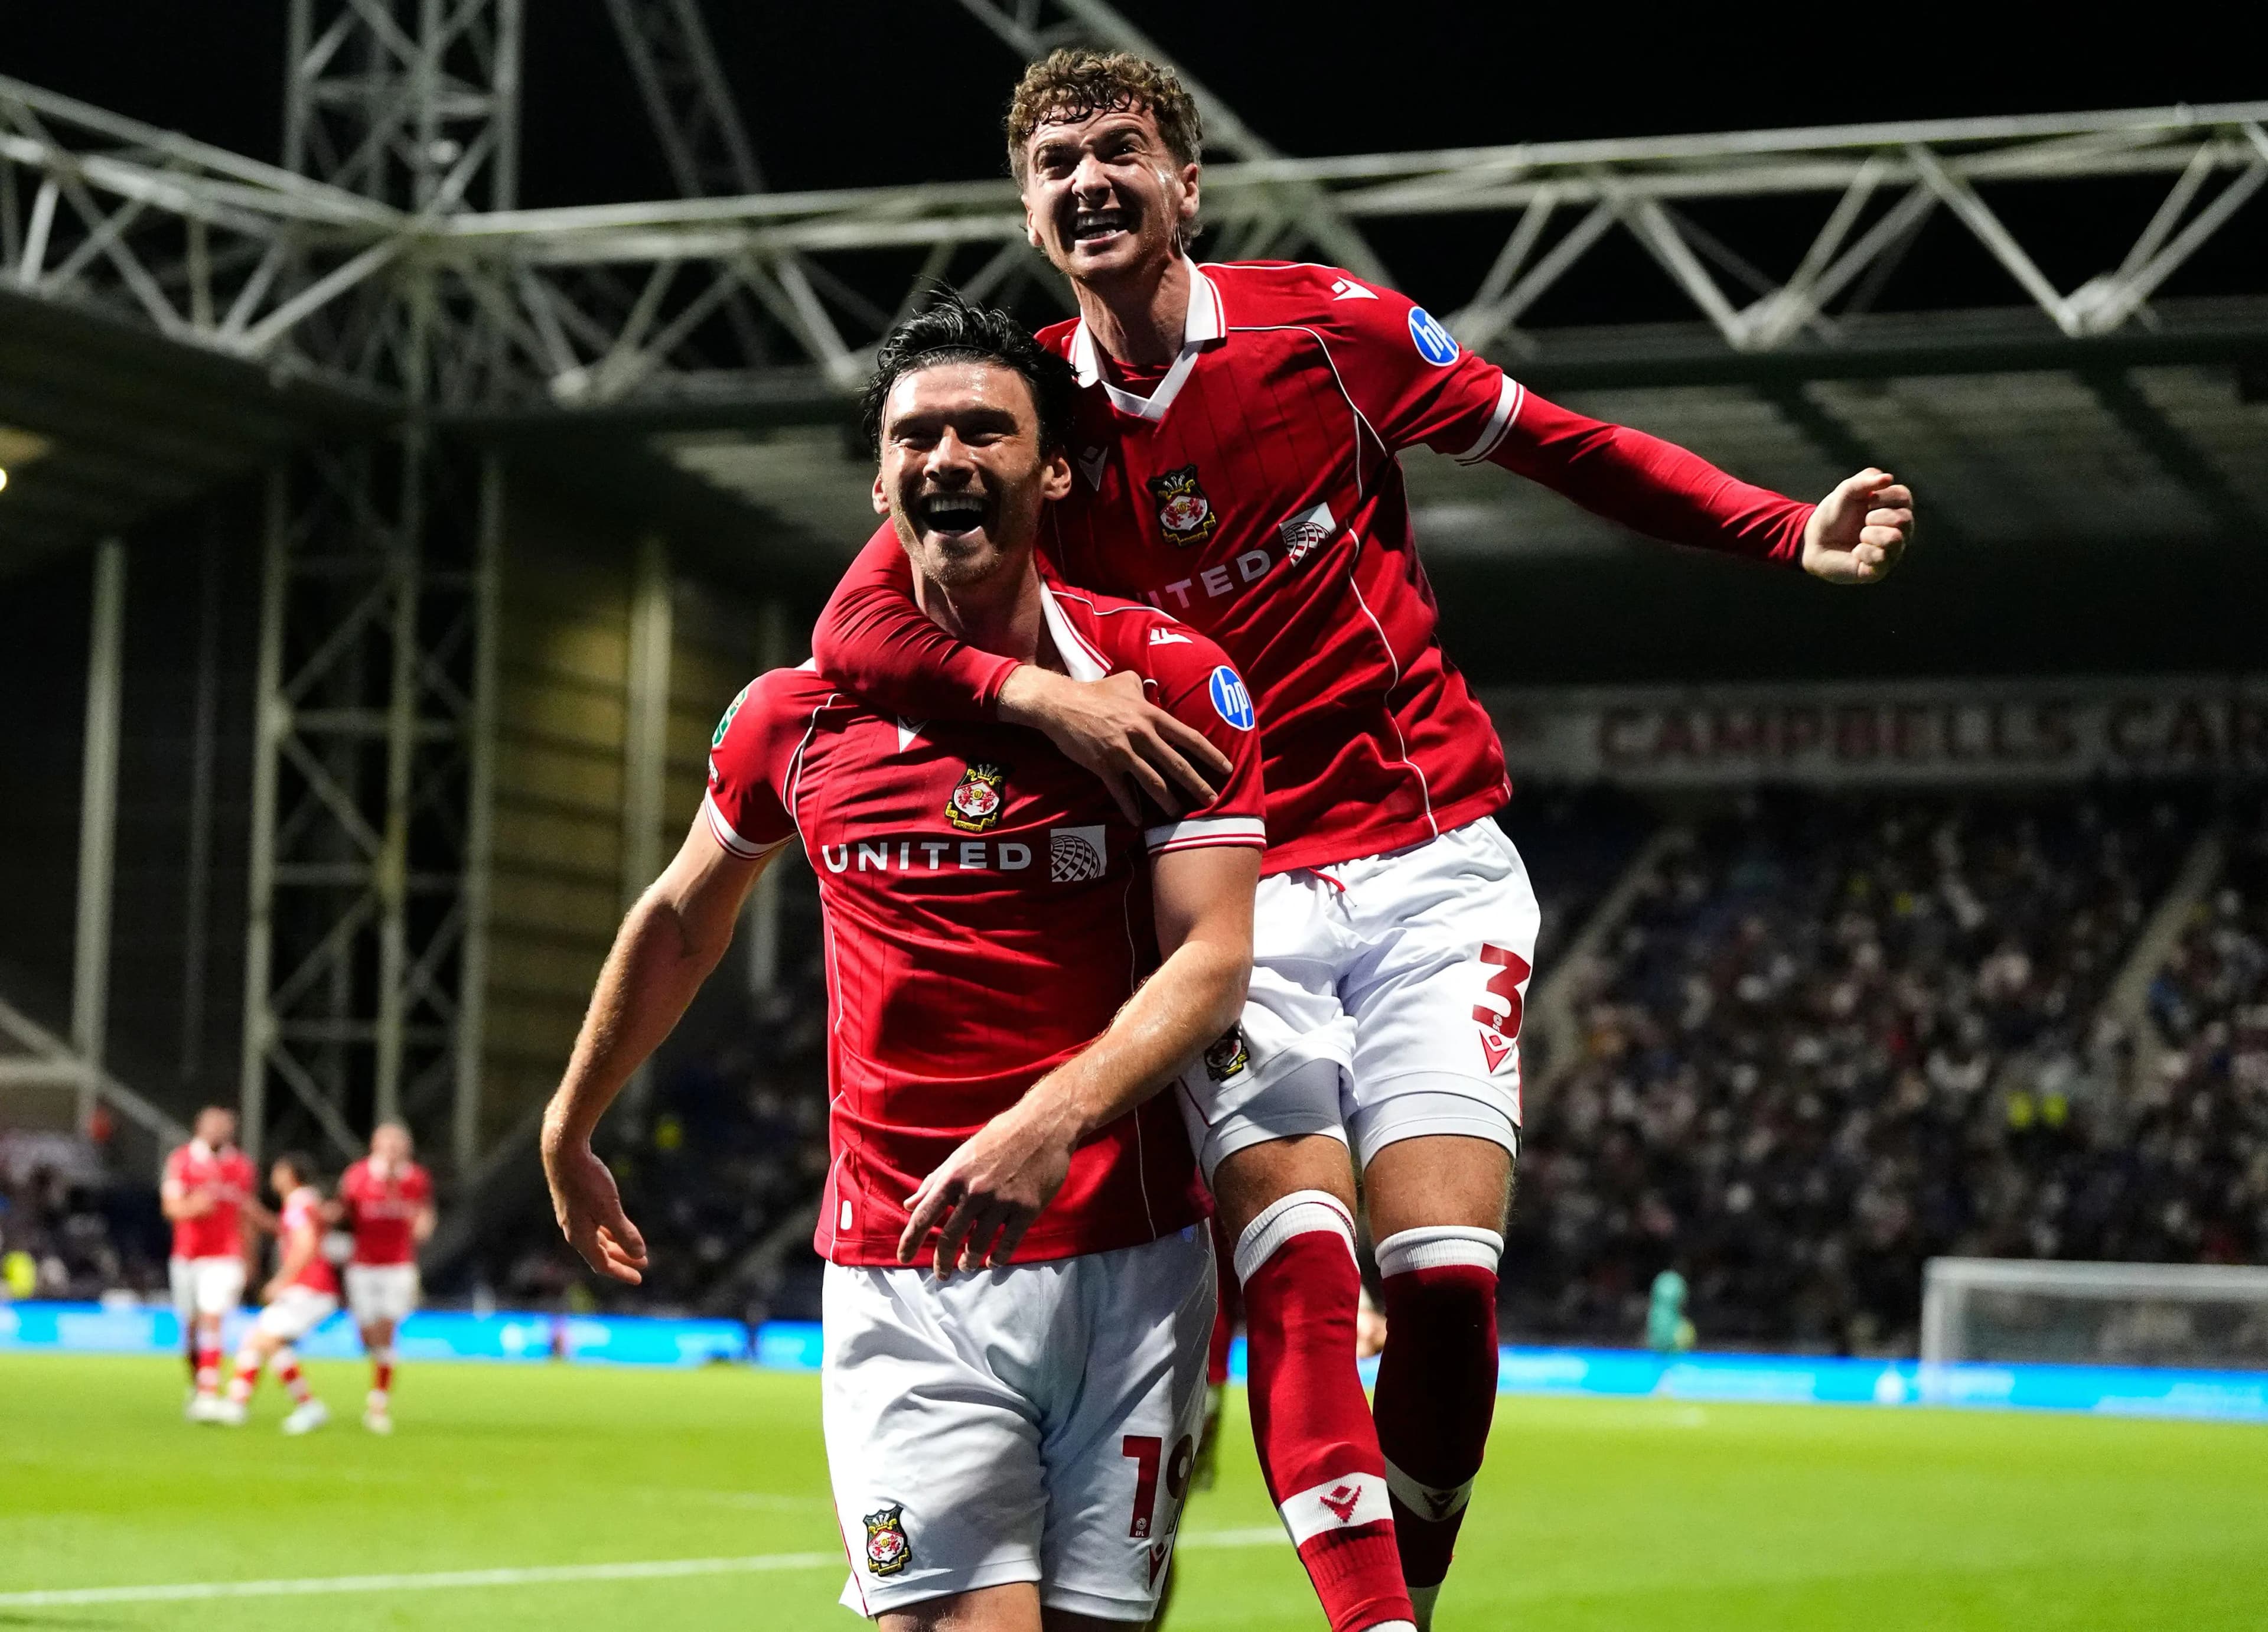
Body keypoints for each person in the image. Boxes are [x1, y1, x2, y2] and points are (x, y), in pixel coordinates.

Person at [810, 49, 1919, 1632]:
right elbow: (854, 628)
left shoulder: (1323, 332)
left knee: (1450, 1295)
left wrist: (1775, 525)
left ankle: (1428, 1539)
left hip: (1425, 862)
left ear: (1187, 183)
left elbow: (1557, 439)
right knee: (1305, 1278)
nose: (1090, 185)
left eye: (1120, 151)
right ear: (1031, 213)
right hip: (1229, 898)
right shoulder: (1030, 419)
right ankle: (1374, 1620)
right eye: (1055, 168)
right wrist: (1038, 702)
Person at [543, 294, 1269, 1631]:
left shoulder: (1160, 683)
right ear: (879, 475)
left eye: (984, 430)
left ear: (1051, 467)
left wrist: (1050, 1119)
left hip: (1133, 1253)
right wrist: (568, 1117)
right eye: (915, 435)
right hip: (901, 1268)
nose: (947, 457)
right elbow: (681, 918)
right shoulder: (792, 717)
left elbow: (1213, 959)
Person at [214, 1151, 336, 1435]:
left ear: (290, 1175)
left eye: (279, 1171)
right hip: (313, 1290)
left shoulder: (298, 1205)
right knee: (261, 1341)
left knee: (262, 1340)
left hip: (309, 1289)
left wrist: (282, 1280)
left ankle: (306, 1406)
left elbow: (305, 1245)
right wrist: (255, 1214)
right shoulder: (305, 1202)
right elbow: (290, 1233)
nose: (274, 1177)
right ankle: (237, 1404)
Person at [161, 1106, 266, 1420]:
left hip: (225, 1256)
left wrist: (251, 1258)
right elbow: (171, 1208)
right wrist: (194, 1206)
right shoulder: (181, 1161)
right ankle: (198, 1384)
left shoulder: (242, 1167)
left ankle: (208, 1394)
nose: (219, 1131)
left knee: (213, 1318)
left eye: (225, 1126)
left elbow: (246, 1214)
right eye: (213, 1125)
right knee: (191, 1329)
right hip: (188, 1256)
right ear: (199, 1127)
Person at [339, 1120, 435, 1434]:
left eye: (399, 1146)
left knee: (386, 1329)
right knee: (367, 1335)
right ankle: (378, 1365)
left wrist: (424, 1224)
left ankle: (378, 1404)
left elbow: (424, 1210)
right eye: (388, 1145)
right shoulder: (357, 1177)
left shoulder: (416, 1179)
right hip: (363, 1265)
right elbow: (345, 1214)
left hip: (398, 1265)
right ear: (375, 1147)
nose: (393, 1151)